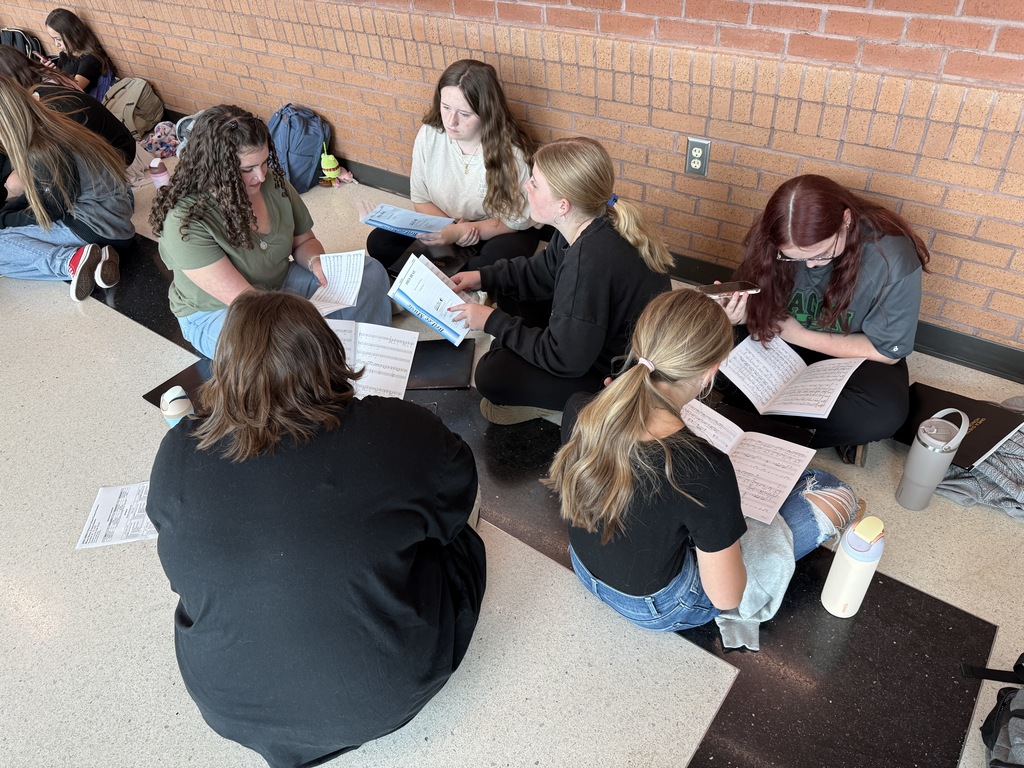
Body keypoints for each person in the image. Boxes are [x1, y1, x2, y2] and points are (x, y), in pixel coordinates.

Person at [147, 291, 486, 767]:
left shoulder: (178, 451)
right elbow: (458, 501)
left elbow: (180, 574)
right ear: (329, 352)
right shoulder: (398, 429)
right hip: (381, 695)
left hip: (227, 705)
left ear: (224, 368)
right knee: (458, 542)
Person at [545, 288, 858, 632]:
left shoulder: (580, 408)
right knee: (831, 491)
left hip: (586, 568)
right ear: (710, 373)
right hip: (657, 607)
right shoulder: (704, 467)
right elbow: (727, 598)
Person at [449, 136, 672, 425]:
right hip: (592, 337)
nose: (525, 186)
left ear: (563, 205)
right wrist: (482, 277)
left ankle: (577, 411)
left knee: (491, 373)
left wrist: (492, 321)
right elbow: (539, 273)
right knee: (510, 289)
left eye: (535, 183)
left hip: (612, 377)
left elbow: (565, 358)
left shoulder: (588, 260)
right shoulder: (590, 222)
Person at [150, 105, 391, 358]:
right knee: (283, 347)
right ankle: (330, 360)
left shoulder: (273, 182)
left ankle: (364, 358)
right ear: (214, 168)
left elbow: (304, 241)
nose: (261, 176)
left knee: (370, 273)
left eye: (265, 162)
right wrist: (306, 314)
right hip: (226, 310)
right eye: (247, 169)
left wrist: (315, 261)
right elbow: (246, 301)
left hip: (278, 284)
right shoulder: (184, 221)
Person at [720, 174, 930, 456]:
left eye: (821, 254)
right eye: (792, 257)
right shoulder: (772, 238)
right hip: (781, 338)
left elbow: (887, 351)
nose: (810, 265)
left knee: (882, 415)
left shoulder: (891, 254)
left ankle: (752, 423)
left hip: (852, 354)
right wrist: (736, 315)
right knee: (695, 348)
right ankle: (809, 431)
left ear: (845, 220)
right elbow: (756, 300)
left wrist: (799, 334)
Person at [366, 59, 542, 275]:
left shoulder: (512, 153)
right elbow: (421, 199)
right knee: (379, 242)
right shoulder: (429, 135)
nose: (451, 121)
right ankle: (450, 274)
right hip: (445, 224)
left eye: (464, 114)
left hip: (496, 230)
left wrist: (465, 230)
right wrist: (449, 229)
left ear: (486, 112)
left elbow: (514, 221)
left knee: (490, 264)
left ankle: (450, 274)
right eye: (446, 107)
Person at [0, 72, 131, 300]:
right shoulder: (53, 121)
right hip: (115, 216)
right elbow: (45, 193)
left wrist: (4, 220)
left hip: (99, 227)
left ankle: (70, 261)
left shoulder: (41, 149)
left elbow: (49, 211)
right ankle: (95, 260)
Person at [0, 45, 135, 167]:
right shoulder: (44, 77)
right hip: (116, 144)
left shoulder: (43, 97)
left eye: (59, 39)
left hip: (115, 154)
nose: (57, 44)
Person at [43, 8, 115, 99]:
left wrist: (53, 75)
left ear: (72, 34)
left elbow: (73, 90)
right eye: (53, 39)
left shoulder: (90, 60)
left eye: (59, 39)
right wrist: (52, 71)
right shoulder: (64, 55)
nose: (56, 44)